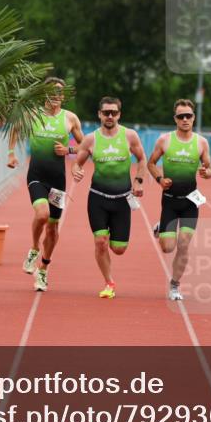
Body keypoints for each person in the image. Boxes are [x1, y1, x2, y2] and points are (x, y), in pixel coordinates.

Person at [7, 77, 83, 292]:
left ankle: (43, 269)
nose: (55, 95)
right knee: (41, 215)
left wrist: (68, 151)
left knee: (52, 228)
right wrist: (11, 153)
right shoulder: (32, 114)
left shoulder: (70, 118)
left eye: (59, 92)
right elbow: (15, 128)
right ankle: (33, 249)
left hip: (58, 180)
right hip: (37, 175)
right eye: (51, 91)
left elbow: (85, 146)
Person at [72, 96, 148, 299]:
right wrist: (76, 171)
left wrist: (139, 181)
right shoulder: (91, 139)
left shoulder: (129, 136)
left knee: (119, 248)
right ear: (99, 114)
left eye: (114, 112)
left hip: (123, 199)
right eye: (106, 112)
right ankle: (109, 282)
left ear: (119, 114)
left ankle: (113, 260)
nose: (110, 116)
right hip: (98, 198)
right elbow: (77, 163)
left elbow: (142, 159)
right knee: (100, 241)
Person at [147, 99, 211, 301]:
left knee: (184, 244)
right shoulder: (164, 140)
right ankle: (161, 228)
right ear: (175, 119)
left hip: (190, 202)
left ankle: (175, 285)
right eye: (181, 116)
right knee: (168, 247)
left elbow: (208, 169)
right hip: (169, 200)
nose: (185, 119)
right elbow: (151, 163)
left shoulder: (201, 142)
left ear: (193, 118)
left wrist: (205, 172)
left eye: (189, 116)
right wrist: (160, 179)